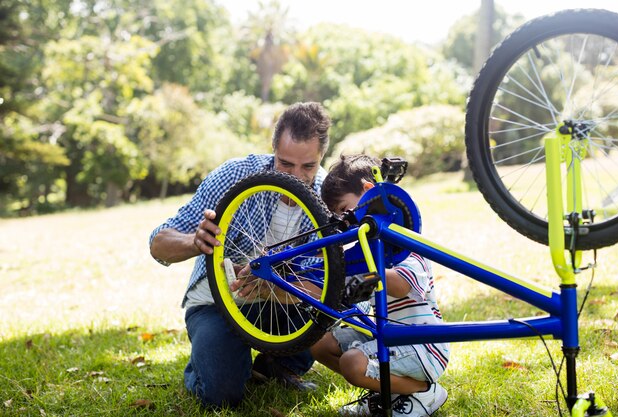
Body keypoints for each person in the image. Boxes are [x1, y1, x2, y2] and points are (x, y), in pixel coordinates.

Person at [149, 102, 332, 408]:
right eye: (285, 164)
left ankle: (276, 366)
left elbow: (325, 285)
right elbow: (159, 242)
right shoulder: (236, 175)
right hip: (216, 304)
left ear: (321, 157)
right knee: (222, 394)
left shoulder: (328, 195)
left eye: (308, 167)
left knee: (328, 307)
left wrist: (273, 287)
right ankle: (206, 367)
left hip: (282, 303)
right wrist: (196, 242)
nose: (297, 178)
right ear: (273, 149)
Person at [312, 154, 450, 417]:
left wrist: (364, 270)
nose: (344, 222)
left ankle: (422, 391)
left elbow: (400, 286)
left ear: (368, 192)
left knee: (352, 364)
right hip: (385, 335)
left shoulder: (407, 245)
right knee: (320, 343)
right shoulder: (365, 252)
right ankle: (387, 391)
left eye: (345, 210)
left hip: (424, 346)